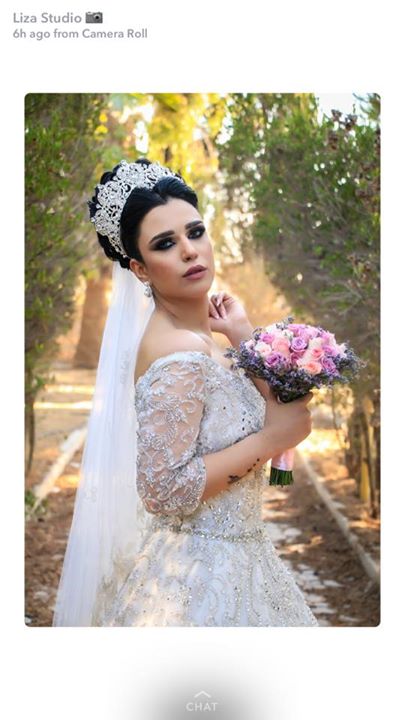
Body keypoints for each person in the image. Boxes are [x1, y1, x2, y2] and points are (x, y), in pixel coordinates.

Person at [52, 157, 318, 627]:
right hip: (195, 580)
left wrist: (242, 334)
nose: (190, 251)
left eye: (195, 232)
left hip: (244, 560)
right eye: (165, 243)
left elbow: (286, 405)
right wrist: (271, 441)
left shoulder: (207, 341)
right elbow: (163, 490)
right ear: (140, 269)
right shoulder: (176, 352)